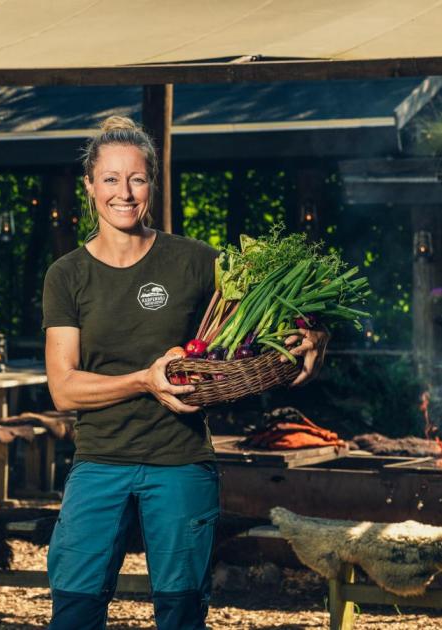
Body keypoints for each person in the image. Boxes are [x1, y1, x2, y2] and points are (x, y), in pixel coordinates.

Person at [42, 115, 328, 630]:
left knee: (181, 614)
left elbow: (259, 336)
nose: (124, 193)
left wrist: (311, 340)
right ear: (89, 187)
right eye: (110, 179)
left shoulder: (195, 261)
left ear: (153, 183)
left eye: (137, 179)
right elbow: (63, 389)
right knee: (74, 611)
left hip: (180, 463)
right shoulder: (68, 275)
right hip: (99, 463)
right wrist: (144, 380)